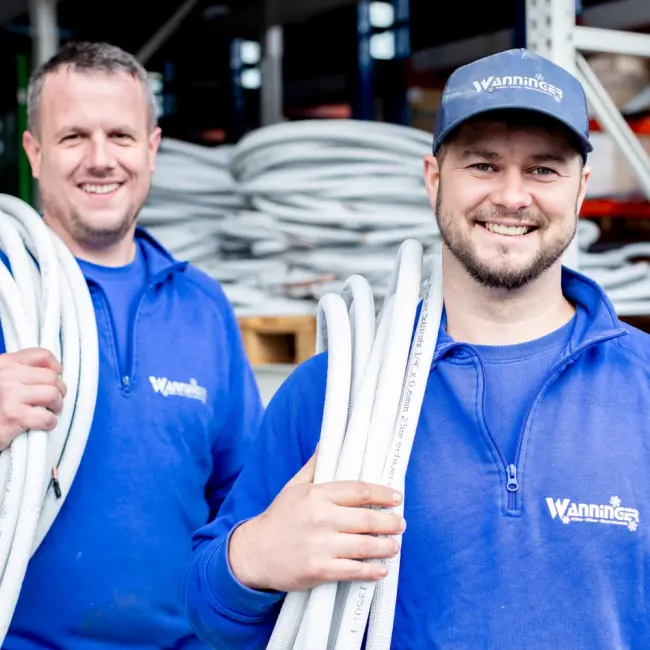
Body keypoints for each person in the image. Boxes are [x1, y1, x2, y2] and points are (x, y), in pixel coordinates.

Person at [183, 48, 650, 649]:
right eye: (482, 165)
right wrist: (253, 559)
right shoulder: (334, 392)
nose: (512, 196)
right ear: (434, 179)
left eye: (543, 169)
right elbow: (208, 611)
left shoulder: (642, 386)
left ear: (581, 188)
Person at [0, 41, 263, 649]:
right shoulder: (7, 292)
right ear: (35, 153)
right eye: (73, 137)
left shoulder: (201, 305)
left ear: (151, 148)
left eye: (120, 136)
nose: (100, 160)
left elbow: (241, 498)